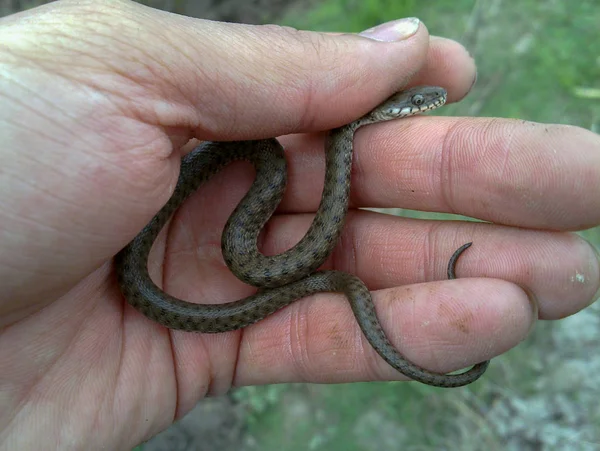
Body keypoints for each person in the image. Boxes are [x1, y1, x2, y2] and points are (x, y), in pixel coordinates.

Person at [1, 0, 599, 449]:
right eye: (419, 105)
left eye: (421, 104)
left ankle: (334, 285)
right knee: (283, 242)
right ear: (388, 111)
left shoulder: (301, 155)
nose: (426, 106)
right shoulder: (302, 151)